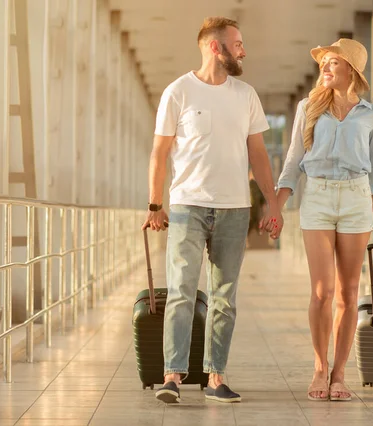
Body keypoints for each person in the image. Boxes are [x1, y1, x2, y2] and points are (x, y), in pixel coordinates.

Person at [142, 16, 283, 404]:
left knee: (224, 297)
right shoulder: (178, 92)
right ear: (214, 47)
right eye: (237, 44)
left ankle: (215, 377)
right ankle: (172, 375)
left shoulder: (246, 95)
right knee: (182, 292)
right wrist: (155, 205)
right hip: (187, 207)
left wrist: (273, 203)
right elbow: (160, 152)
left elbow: (259, 155)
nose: (243, 50)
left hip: (234, 210)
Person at [275, 38, 373, 402]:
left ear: (352, 71)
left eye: (333, 63)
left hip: (357, 199)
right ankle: (319, 368)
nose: (325, 69)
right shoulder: (307, 107)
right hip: (319, 198)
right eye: (324, 63)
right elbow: (294, 161)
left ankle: (340, 374)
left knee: (347, 293)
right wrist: (275, 207)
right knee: (321, 291)